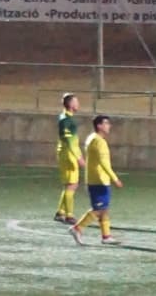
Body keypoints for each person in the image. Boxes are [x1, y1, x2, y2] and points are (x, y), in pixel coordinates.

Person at [68, 115, 123, 245]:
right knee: (98, 209)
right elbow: (104, 163)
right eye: (106, 123)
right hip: (99, 180)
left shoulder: (91, 138)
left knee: (104, 208)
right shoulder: (99, 141)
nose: (109, 126)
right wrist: (115, 178)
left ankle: (106, 236)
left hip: (93, 178)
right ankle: (77, 228)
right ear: (99, 126)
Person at [54, 93, 85, 224]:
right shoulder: (67, 120)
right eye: (76, 102)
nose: (78, 104)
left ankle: (60, 212)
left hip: (65, 154)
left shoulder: (64, 117)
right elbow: (69, 141)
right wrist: (79, 157)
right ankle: (69, 215)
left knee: (69, 185)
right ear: (71, 105)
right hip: (68, 155)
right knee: (72, 185)